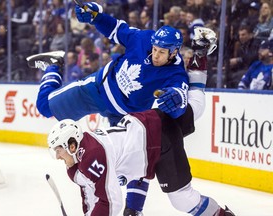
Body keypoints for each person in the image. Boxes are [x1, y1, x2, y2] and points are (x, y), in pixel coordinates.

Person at [26, 2, 217, 215]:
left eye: (162, 52)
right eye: (155, 49)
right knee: (44, 107)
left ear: (174, 53)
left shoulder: (176, 74)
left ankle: (134, 210)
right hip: (96, 90)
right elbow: (117, 29)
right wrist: (96, 17)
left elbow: (182, 103)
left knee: (140, 159)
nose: (156, 55)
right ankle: (53, 65)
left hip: (126, 115)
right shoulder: (144, 38)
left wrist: (178, 101)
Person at [47, 109, 235, 216]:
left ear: (71, 145)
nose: (57, 157)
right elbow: (92, 197)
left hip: (159, 136)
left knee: (182, 200)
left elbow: (111, 201)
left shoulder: (91, 156)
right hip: (143, 147)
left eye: (59, 150)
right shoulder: (76, 165)